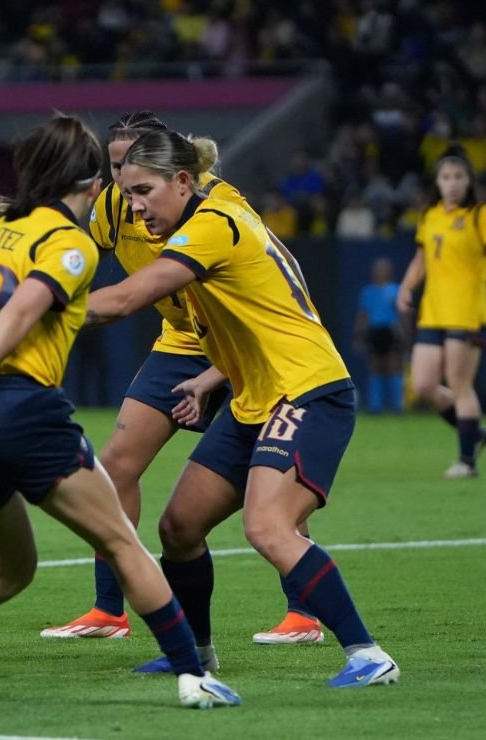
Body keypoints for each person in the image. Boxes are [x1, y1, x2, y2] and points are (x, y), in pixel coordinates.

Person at [0, 115, 241, 711]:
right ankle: (194, 676)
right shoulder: (69, 243)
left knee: (8, 571)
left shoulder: (2, 230)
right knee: (123, 542)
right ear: (92, 183)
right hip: (16, 409)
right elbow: (22, 309)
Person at [86, 129, 399, 689]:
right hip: (255, 396)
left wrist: (26, 309)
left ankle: (368, 655)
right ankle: (196, 655)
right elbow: (264, 307)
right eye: (127, 194)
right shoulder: (212, 213)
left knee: (268, 526)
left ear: (184, 181)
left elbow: (128, 298)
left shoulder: (211, 225)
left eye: (144, 191)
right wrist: (213, 376)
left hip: (306, 389)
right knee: (180, 526)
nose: (134, 207)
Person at [42, 111, 323, 651]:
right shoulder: (116, 206)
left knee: (271, 475)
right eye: (113, 167)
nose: (121, 180)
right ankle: (109, 608)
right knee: (117, 464)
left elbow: (277, 286)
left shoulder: (217, 206)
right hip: (181, 341)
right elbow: (76, 258)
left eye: (131, 167)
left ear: (172, 170)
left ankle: (304, 612)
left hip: (246, 345)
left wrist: (33, 310)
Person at [397, 148, 486, 479]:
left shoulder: (481, 214)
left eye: (458, 177)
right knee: (423, 385)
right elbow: (421, 259)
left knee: (459, 383)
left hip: (466, 311)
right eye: (446, 177)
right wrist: (406, 287)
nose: (451, 183)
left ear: (469, 181)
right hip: (433, 312)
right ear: (437, 182)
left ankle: (467, 461)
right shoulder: (430, 215)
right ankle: (474, 433)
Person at [355, 257, 405, 413]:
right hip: (374, 331)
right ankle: (375, 406)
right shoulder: (368, 291)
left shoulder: (396, 290)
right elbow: (363, 315)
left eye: (384, 269)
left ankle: (397, 406)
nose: (380, 272)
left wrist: (404, 334)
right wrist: (359, 336)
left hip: (390, 331)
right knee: (375, 367)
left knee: (393, 366)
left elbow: (402, 314)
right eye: (378, 269)